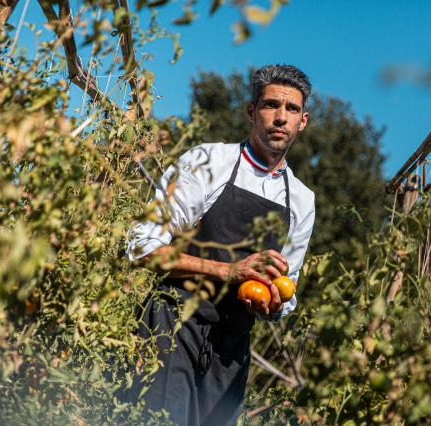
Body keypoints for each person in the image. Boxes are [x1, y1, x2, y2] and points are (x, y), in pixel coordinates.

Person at [126, 64, 315, 425]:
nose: (280, 118)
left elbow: (288, 291)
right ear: (251, 111)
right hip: (175, 326)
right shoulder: (208, 161)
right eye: (270, 105)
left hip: (231, 348)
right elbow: (142, 245)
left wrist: (275, 303)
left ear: (302, 121)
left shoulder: (303, 200)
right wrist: (230, 271)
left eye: (291, 110)